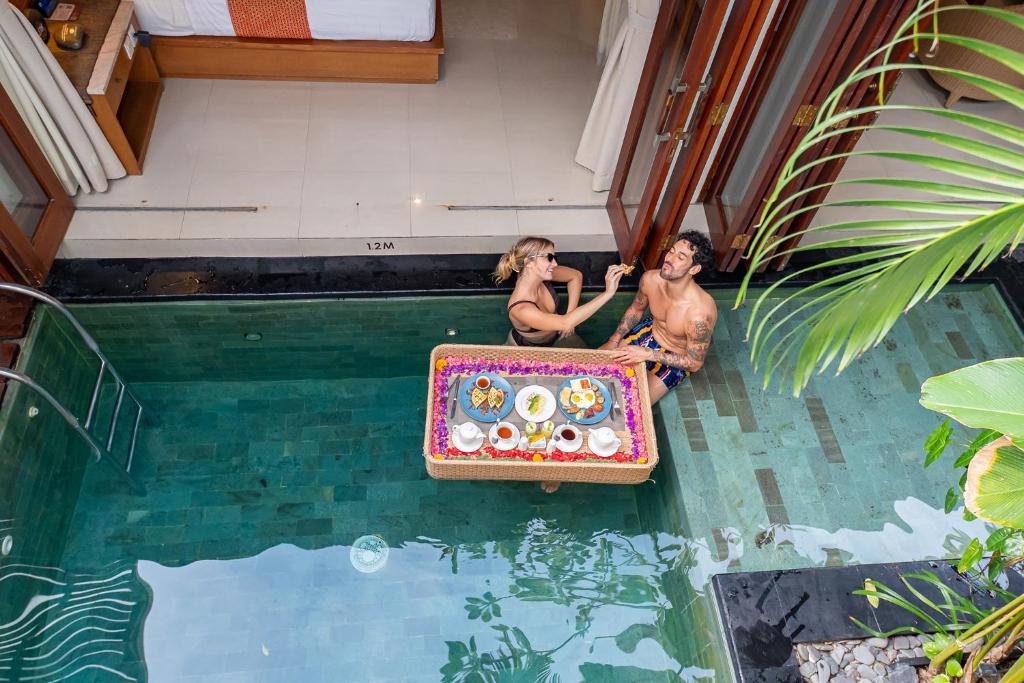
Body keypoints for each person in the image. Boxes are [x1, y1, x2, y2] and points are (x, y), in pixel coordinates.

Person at [600, 230, 718, 404]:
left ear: (694, 268)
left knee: (628, 405)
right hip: (650, 333)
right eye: (671, 251)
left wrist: (648, 354)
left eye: (681, 257)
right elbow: (637, 309)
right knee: (591, 367)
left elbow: (694, 363)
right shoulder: (651, 279)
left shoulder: (698, 315)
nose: (669, 259)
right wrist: (614, 339)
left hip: (676, 358)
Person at [495, 237, 625, 348]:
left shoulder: (540, 275)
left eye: (554, 257)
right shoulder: (520, 308)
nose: (555, 264)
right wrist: (608, 293)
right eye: (549, 258)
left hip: (559, 334)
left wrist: (570, 314)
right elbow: (565, 323)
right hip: (529, 349)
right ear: (528, 262)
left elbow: (575, 276)